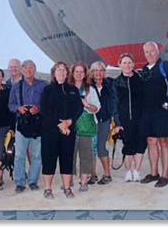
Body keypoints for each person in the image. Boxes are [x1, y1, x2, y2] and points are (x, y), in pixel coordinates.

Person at [139, 41, 168, 188]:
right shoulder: (144, 69)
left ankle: (165, 176)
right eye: (146, 52)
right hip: (147, 113)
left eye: (152, 51)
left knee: (164, 142)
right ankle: (154, 173)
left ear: (158, 51)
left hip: (162, 112)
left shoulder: (166, 66)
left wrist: (167, 103)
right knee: (151, 142)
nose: (149, 54)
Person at [40, 62, 83, 199]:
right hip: (50, 131)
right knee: (49, 159)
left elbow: (79, 108)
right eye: (59, 70)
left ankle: (67, 188)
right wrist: (60, 124)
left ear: (67, 73)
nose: (62, 72)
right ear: (54, 72)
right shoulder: (48, 89)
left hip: (69, 131)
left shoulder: (73, 89)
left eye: (64, 70)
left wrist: (69, 122)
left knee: (67, 159)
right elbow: (44, 109)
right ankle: (48, 189)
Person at [9, 60, 47, 193]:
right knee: (19, 155)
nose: (29, 70)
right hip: (22, 124)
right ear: (22, 70)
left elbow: (48, 103)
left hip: (38, 124)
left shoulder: (43, 85)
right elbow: (11, 105)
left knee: (37, 155)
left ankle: (33, 181)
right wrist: (19, 108)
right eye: (26, 68)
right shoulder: (16, 86)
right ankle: (19, 182)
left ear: (35, 69)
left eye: (31, 67)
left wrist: (39, 109)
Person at [111, 54, 144, 182]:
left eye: (129, 62)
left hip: (140, 119)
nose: (127, 65)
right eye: (124, 63)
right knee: (128, 146)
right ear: (119, 65)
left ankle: (137, 171)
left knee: (140, 145)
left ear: (133, 64)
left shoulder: (140, 79)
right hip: (125, 120)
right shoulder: (116, 83)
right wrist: (117, 123)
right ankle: (129, 171)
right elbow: (114, 104)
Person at [69, 62, 100, 192]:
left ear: (85, 73)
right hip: (70, 125)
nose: (79, 74)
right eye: (76, 71)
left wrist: (86, 104)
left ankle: (83, 181)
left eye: (81, 71)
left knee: (86, 155)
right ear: (72, 73)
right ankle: (68, 180)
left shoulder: (90, 89)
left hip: (86, 125)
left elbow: (97, 108)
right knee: (69, 154)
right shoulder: (67, 88)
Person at [89, 61, 113, 185]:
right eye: (95, 71)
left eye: (101, 70)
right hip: (90, 121)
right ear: (92, 73)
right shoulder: (87, 86)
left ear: (104, 72)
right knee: (90, 148)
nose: (98, 73)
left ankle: (107, 174)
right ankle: (92, 175)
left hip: (104, 120)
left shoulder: (110, 85)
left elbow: (115, 101)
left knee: (101, 147)